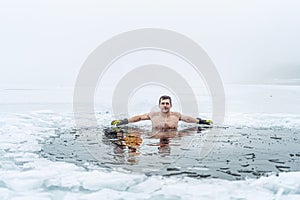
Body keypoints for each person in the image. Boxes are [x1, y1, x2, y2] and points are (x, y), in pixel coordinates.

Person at [111, 95, 212, 130]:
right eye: (163, 103)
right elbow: (139, 118)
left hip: (172, 137)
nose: (165, 105)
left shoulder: (176, 115)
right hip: (156, 136)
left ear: (170, 105)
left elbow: (188, 119)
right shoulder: (153, 115)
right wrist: (124, 121)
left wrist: (200, 121)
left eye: (167, 103)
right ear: (159, 105)